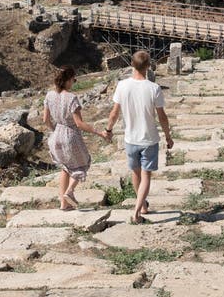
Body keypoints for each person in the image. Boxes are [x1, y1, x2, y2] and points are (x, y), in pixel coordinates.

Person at [106, 50, 173, 224]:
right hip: (149, 138)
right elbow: (162, 116)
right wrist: (168, 135)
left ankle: (142, 205)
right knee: (146, 176)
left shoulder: (122, 85)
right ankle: (137, 211)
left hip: (130, 138)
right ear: (148, 67)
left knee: (136, 174)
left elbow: (114, 112)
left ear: (131, 64)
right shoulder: (154, 88)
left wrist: (108, 129)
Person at [43, 66, 109, 210]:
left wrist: (55, 130)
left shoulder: (49, 95)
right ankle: (70, 191)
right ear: (67, 80)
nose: (74, 82)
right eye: (73, 79)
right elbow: (79, 123)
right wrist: (99, 133)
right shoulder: (71, 98)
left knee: (66, 168)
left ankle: (63, 204)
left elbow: (45, 120)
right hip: (70, 136)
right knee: (82, 164)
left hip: (56, 135)